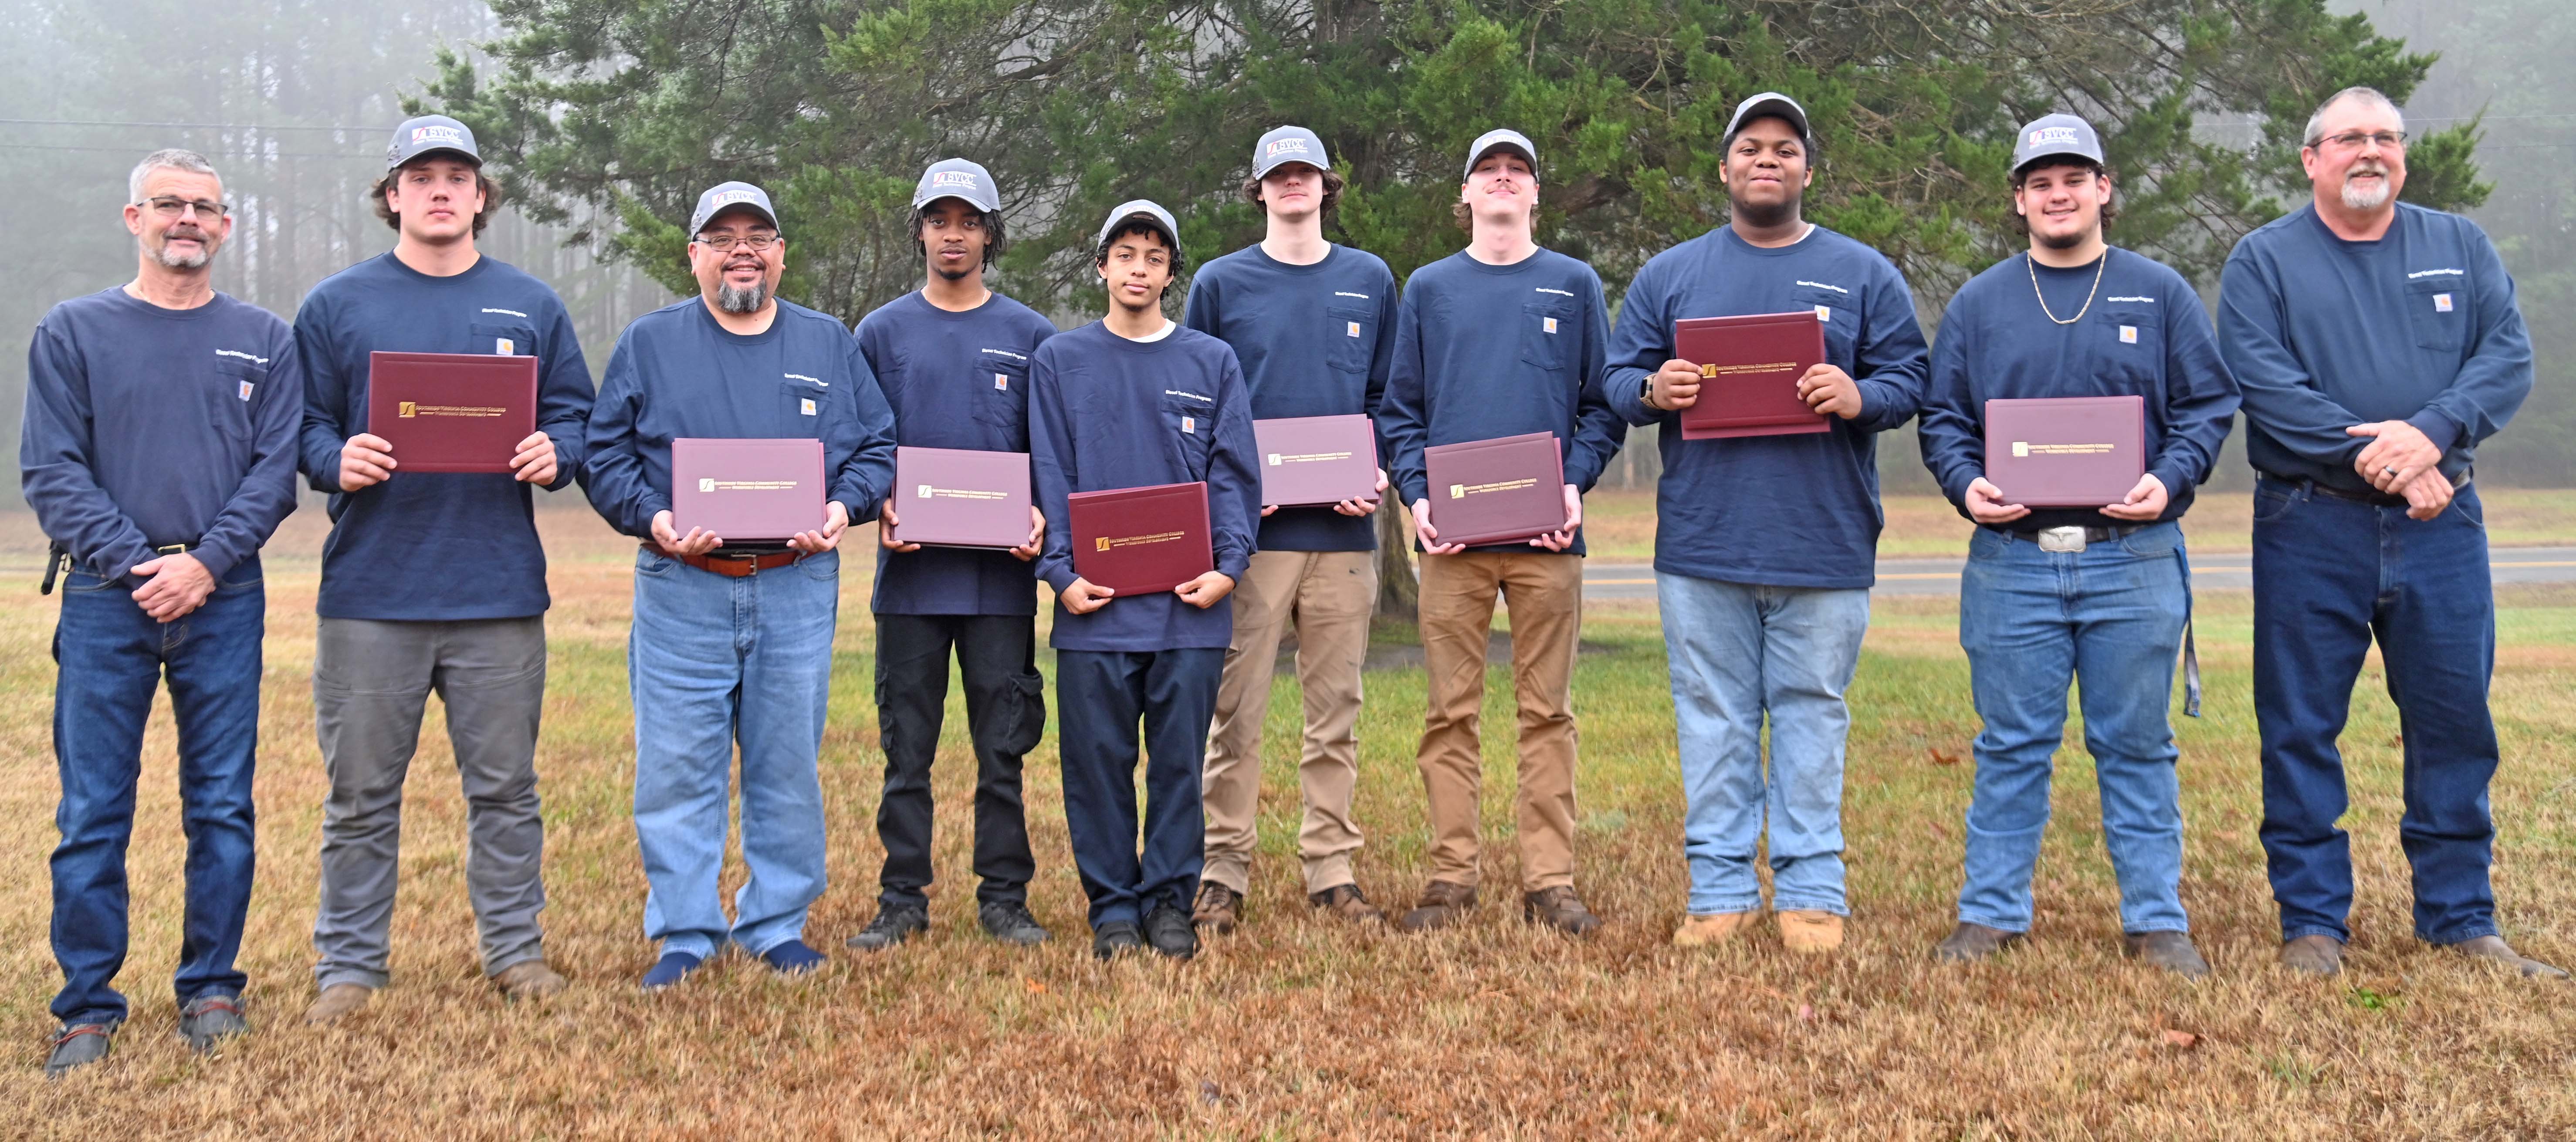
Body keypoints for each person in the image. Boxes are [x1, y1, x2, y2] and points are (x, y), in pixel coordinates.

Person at [2217, 87, 2559, 979]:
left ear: (2400, 154)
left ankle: (2459, 919)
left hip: (2442, 530)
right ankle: (2312, 925)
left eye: (2384, 138)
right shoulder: (2263, 261)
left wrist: (2433, 433)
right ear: (2310, 159)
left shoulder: (2456, 245)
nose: (2367, 151)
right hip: (2307, 523)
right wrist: (2401, 462)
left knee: (2451, 722)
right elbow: (2266, 384)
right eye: (2347, 139)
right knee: (2297, 725)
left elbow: (2505, 355)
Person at [1604, 93, 1930, 954]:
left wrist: (1859, 395)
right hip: (1703, 543)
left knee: (1811, 714)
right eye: (1749, 147)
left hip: (1822, 540)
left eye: (1784, 149)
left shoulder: (1863, 274)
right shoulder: (1669, 275)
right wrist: (1651, 390)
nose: (1766, 160)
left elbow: (1912, 379)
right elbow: (1613, 377)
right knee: (1710, 719)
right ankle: (1717, 893)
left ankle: (1811, 892)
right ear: (1723, 168)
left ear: (1807, 170)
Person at [1916, 114, 2239, 974]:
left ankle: (2155, 920)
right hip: (2012, 562)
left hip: (2129, 559)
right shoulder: (1980, 301)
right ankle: (1988, 916)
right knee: (2010, 744)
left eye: (2074, 178)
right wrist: (1964, 485)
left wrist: (2167, 481)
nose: (2057, 194)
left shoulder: (2157, 292)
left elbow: (2207, 406)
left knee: (2133, 744)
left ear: (2103, 190)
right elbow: (1943, 417)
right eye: (2039, 182)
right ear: (2019, 201)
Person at [294, 115, 591, 1024]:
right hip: (371, 594)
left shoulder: (528, 304)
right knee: (359, 796)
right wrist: (332, 458)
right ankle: (349, 969)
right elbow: (298, 425)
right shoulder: (337, 304)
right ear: (392, 195)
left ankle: (515, 952)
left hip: (495, 590)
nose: (438, 191)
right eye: (418, 176)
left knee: (504, 788)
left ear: (480, 197)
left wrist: (557, 451)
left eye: (456, 177)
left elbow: (577, 413)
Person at [21, 149, 300, 1076]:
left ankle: (212, 988)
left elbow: (275, 474)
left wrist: (206, 566)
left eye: (205, 208)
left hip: (224, 601)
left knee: (221, 806)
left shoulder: (264, 337)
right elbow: (52, 470)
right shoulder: (74, 331)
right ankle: (87, 1009)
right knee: (94, 811)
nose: (188, 219)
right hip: (109, 600)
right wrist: (144, 566)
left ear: (225, 227)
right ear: (133, 217)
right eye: (169, 204)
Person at [583, 181, 896, 988]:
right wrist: (653, 518)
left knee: (785, 760)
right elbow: (606, 454)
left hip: (795, 583)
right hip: (683, 583)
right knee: (677, 764)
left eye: (759, 234)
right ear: (694, 255)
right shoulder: (650, 344)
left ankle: (775, 922)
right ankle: (686, 930)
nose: (742, 248)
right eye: (721, 236)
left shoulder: (829, 343)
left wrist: (839, 507)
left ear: (783, 253)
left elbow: (877, 449)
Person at [1379, 129, 1627, 936]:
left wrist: (1572, 485)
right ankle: (1451, 877)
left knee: (1545, 712)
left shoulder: (1572, 282)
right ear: (1466, 192)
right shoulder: (1429, 288)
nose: (1502, 181)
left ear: (1534, 195)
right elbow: (1400, 410)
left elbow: (1603, 405)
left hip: (1546, 542)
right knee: (1450, 712)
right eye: (1487, 170)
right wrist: (1416, 497)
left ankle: (1548, 880)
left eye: (1517, 171)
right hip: (1450, 545)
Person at [1182, 126, 1399, 934]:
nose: (1293, 185)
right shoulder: (1219, 282)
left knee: (1334, 709)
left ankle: (1331, 871)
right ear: (1259, 189)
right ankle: (1222, 871)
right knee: (1233, 710)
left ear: (1325, 185)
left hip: (1343, 539)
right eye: (1278, 175)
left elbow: (1388, 396)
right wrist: (1231, 492)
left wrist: (1373, 469)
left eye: (1305, 173)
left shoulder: (1369, 279)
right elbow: (1199, 403)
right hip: (1251, 538)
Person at [1029, 200, 1259, 960]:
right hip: (1093, 609)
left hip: (1188, 610)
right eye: (1124, 253)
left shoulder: (1209, 362)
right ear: (1101, 267)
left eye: (1153, 258)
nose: (1137, 269)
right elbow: (1051, 473)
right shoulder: (1060, 362)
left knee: (1177, 766)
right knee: (1096, 767)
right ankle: (1113, 909)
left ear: (1170, 274)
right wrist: (1059, 574)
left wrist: (1228, 566)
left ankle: (1168, 900)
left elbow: (1232, 475)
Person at [846, 159, 1056, 952]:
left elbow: (1051, 454)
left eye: (969, 221)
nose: (954, 234)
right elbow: (862, 448)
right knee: (908, 750)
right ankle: (902, 899)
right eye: (939, 220)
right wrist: (879, 505)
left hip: (1001, 583)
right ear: (920, 231)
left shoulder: (1031, 335)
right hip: (911, 581)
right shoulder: (881, 332)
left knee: (1002, 749)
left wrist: (1041, 514)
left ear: (991, 233)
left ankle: (1004, 897)